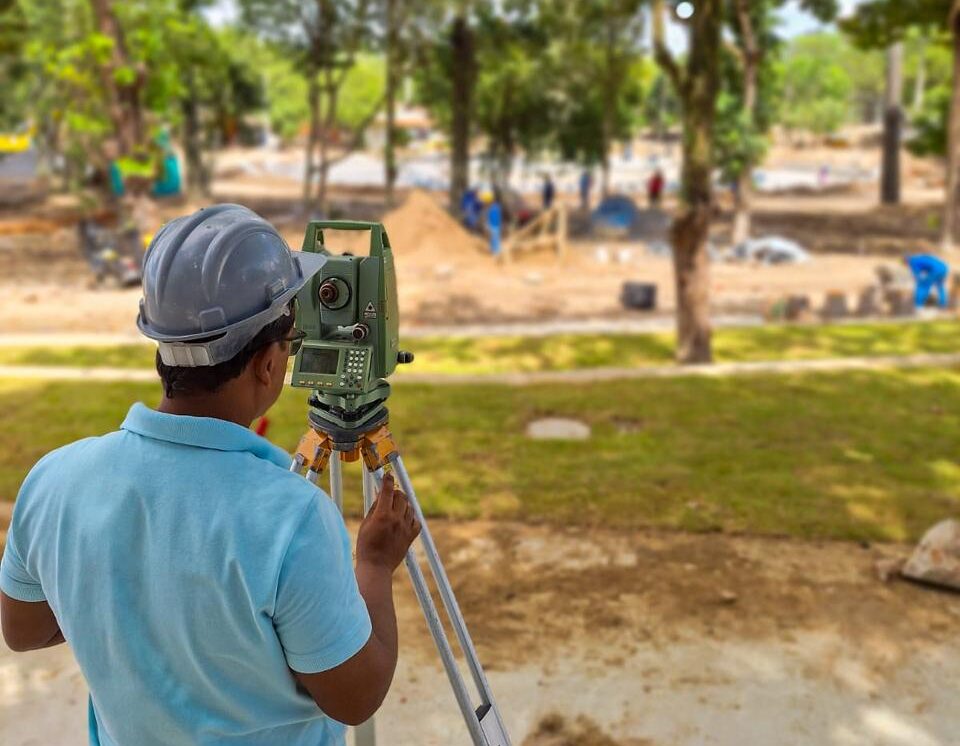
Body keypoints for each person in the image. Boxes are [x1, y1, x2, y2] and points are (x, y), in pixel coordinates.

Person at [0, 204, 420, 745]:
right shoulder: (290, 519)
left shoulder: (53, 481)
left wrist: (128, 613)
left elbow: (24, 629)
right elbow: (356, 697)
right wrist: (375, 565)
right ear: (268, 364)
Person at [484, 189, 503, 257]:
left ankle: (496, 252)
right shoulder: (495, 207)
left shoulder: (493, 208)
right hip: (495, 225)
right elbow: (492, 217)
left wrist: (488, 225)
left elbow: (494, 218)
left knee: (495, 238)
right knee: (494, 238)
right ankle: (494, 250)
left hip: (494, 226)